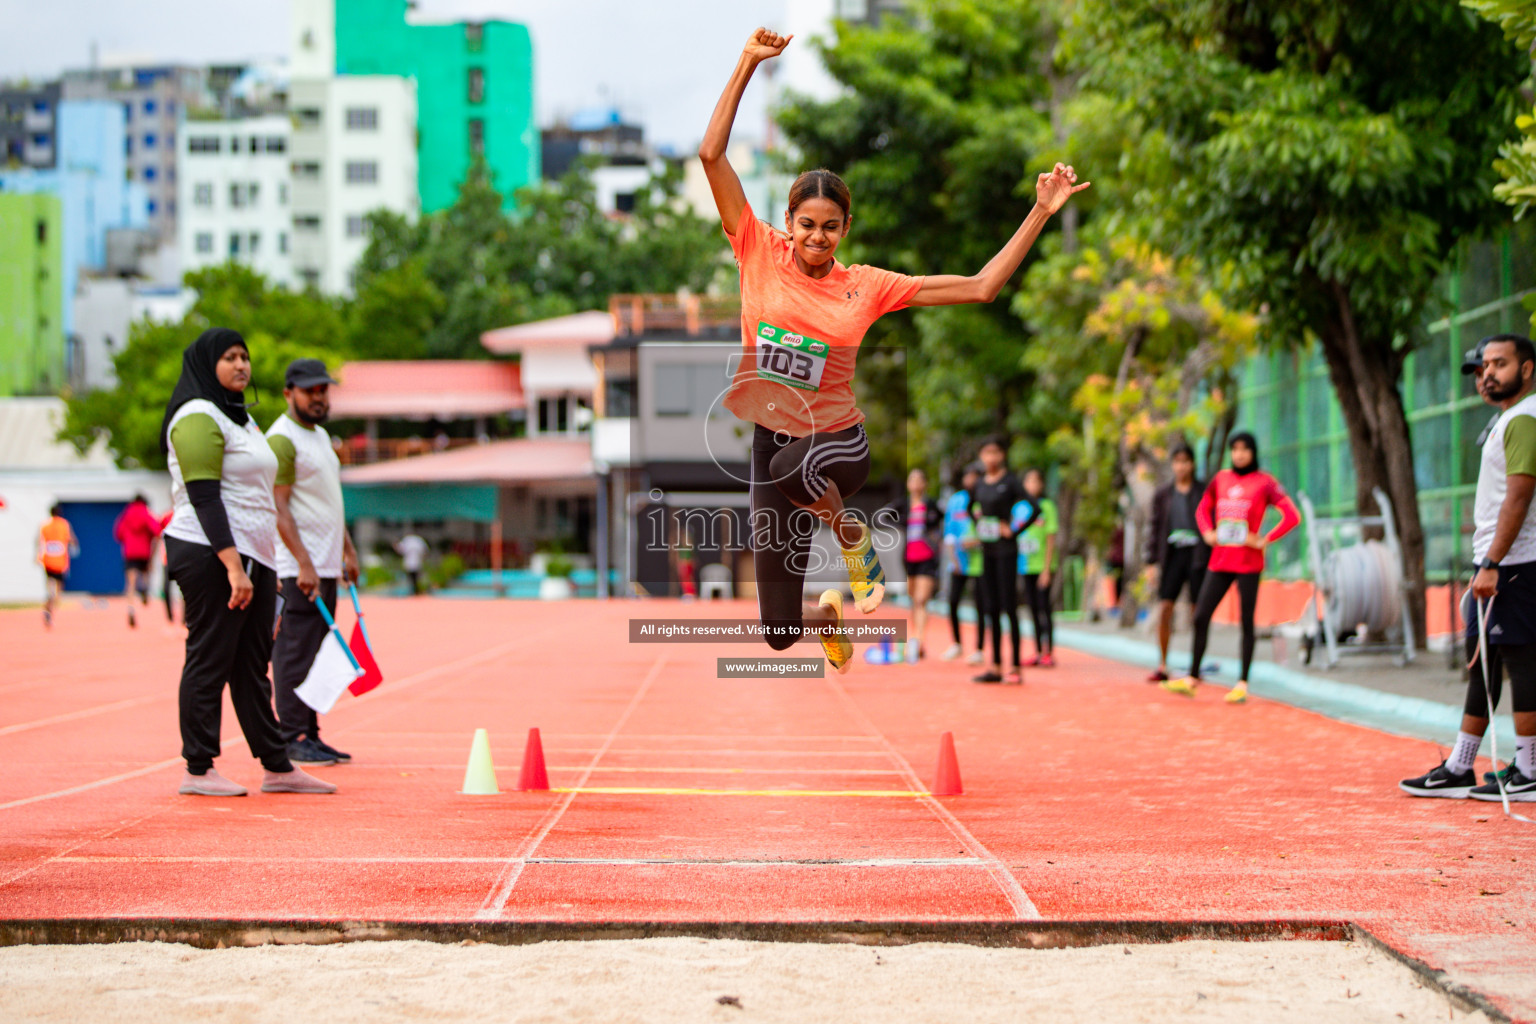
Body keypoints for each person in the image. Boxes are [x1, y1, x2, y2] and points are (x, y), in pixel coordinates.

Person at [699, 27, 1088, 673]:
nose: (816, 238)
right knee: (775, 634)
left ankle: (851, 535)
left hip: (838, 445)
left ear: (845, 228)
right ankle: (827, 611)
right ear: (787, 222)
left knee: (792, 467)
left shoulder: (868, 286)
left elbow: (983, 286)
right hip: (773, 443)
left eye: (829, 227)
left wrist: (1041, 211)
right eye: (805, 225)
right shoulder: (755, 250)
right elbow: (712, 156)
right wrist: (745, 61)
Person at [161, 327, 335, 797]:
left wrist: (261, 565)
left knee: (251, 665)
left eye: (245, 357)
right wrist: (233, 566)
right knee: (210, 658)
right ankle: (197, 769)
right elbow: (205, 497)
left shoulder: (241, 418)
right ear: (206, 365)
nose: (241, 365)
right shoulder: (197, 415)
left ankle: (277, 766)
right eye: (229, 358)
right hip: (208, 551)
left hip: (254, 556)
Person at [1401, 334, 1536, 801]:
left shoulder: (1523, 418)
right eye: (1481, 368)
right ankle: (1461, 766)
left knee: (1519, 660)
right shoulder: (1507, 421)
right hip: (1499, 561)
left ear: (1528, 369)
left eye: (1499, 364)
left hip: (1515, 563)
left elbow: (1519, 496)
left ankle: (1530, 766)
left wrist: (1493, 562)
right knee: (1486, 661)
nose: (1487, 375)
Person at [268, 358, 361, 768]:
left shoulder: (320, 437)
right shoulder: (282, 439)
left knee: (319, 651)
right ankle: (292, 736)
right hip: (297, 570)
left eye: (324, 390)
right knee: (294, 652)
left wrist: (348, 551)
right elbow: (279, 507)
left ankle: (311, 733)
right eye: (311, 391)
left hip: (324, 565)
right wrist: (303, 563)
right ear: (289, 393)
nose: (319, 397)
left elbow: (329, 503)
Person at [1162, 432, 1299, 703]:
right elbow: (1203, 509)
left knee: (1246, 622)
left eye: (1244, 449)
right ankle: (1192, 677)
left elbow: (1292, 516)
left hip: (1248, 564)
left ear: (1253, 452)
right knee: (1201, 615)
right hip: (1221, 561)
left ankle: (1242, 683)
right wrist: (1207, 533)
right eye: (1234, 449)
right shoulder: (1221, 479)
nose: (1239, 454)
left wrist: (1264, 540)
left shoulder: (1264, 482)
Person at [970, 438, 1032, 684]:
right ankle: (995, 666)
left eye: (995, 452)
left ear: (1002, 455)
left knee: (1009, 608)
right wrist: (980, 526)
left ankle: (1015, 666)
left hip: (1007, 551)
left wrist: (1014, 530)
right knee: (991, 609)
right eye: (986, 453)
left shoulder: (1011, 482)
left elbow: (1034, 507)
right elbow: (970, 507)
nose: (991, 457)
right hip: (987, 551)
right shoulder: (980, 484)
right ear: (981, 456)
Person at [1146, 445, 1209, 682]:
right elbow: (1154, 527)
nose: (1181, 466)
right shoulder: (1163, 494)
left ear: (1192, 464)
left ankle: (1196, 666)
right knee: (1165, 608)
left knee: (1198, 612)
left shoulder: (1203, 491)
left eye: (1185, 461)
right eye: (1177, 461)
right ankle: (1162, 664)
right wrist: (1151, 561)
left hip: (1197, 556)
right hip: (1172, 555)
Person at [892, 468, 944, 662]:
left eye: (918, 480)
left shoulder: (931, 504)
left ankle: (919, 639)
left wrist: (936, 539)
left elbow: (942, 521)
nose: (915, 484)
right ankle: (915, 636)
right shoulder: (903, 505)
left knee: (922, 599)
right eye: (911, 480)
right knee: (914, 600)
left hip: (928, 557)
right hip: (909, 557)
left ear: (924, 484)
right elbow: (884, 514)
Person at [941, 463, 987, 663]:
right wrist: (953, 559)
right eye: (967, 476)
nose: (970, 480)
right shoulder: (956, 500)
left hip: (980, 562)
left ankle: (979, 648)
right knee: (953, 602)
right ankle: (957, 643)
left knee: (981, 605)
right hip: (958, 562)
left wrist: (977, 541)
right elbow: (949, 532)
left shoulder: (985, 499)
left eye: (974, 476)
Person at [1019, 468, 1060, 667]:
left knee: (1045, 608)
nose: (1032, 486)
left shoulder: (1047, 506)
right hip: (1025, 566)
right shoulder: (1019, 507)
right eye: (1029, 481)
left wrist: (1046, 569)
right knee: (1032, 609)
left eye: (1036, 481)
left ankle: (1048, 651)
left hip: (1042, 566)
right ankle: (1036, 650)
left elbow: (1051, 538)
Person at [113, 493, 163, 629]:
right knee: (146, 574)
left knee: (130, 583)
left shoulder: (126, 514)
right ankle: (145, 588)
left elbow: (118, 534)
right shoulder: (147, 514)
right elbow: (157, 531)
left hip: (130, 552)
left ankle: (130, 608)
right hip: (144, 552)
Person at [36, 505, 78, 629]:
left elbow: (40, 542)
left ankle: (47, 607)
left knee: (50, 588)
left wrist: (38, 557)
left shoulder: (45, 526)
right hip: (60, 563)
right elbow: (71, 539)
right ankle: (50, 610)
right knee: (58, 591)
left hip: (48, 561)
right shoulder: (64, 525)